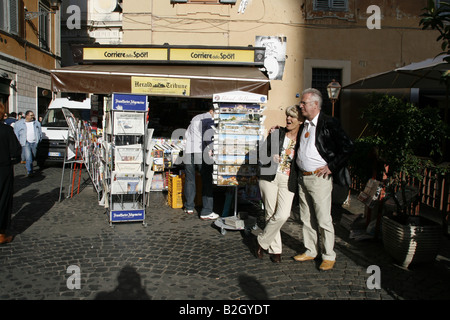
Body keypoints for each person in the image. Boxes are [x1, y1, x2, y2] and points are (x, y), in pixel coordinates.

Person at [292, 88, 354, 271]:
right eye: (301, 102)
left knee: (323, 219)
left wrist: (331, 166)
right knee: (306, 217)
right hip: (303, 178)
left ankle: (328, 255)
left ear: (315, 105)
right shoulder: (304, 124)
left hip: (319, 178)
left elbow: (348, 147)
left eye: (303, 103)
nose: (300, 106)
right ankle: (311, 250)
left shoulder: (329, 123)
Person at [256, 105, 303, 263]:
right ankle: (276, 250)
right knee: (270, 213)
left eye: (292, 117)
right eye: (287, 116)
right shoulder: (277, 133)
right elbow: (262, 154)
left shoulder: (305, 138)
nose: (288, 119)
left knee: (283, 214)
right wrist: (271, 157)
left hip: (289, 180)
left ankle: (262, 241)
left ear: (300, 121)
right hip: (270, 177)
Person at [183, 105, 219, 220]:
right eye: (216, 113)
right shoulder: (209, 119)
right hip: (201, 152)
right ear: (211, 111)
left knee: (189, 179)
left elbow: (186, 135)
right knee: (207, 180)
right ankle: (206, 211)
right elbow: (209, 137)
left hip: (189, 151)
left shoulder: (194, 118)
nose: (217, 116)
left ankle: (189, 207)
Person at [0, 102, 22, 244]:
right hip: (3, 169)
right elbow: (15, 151)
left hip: (4, 167)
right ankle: (1, 234)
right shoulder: (6, 130)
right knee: (2, 199)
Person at [14, 110, 42, 177]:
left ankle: (28, 165)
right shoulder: (19, 123)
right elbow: (16, 133)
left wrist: (39, 140)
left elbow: (40, 133)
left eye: (33, 115)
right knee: (28, 157)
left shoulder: (36, 123)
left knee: (33, 156)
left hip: (34, 142)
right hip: (26, 142)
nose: (33, 116)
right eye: (31, 115)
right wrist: (19, 142)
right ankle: (30, 171)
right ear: (26, 116)